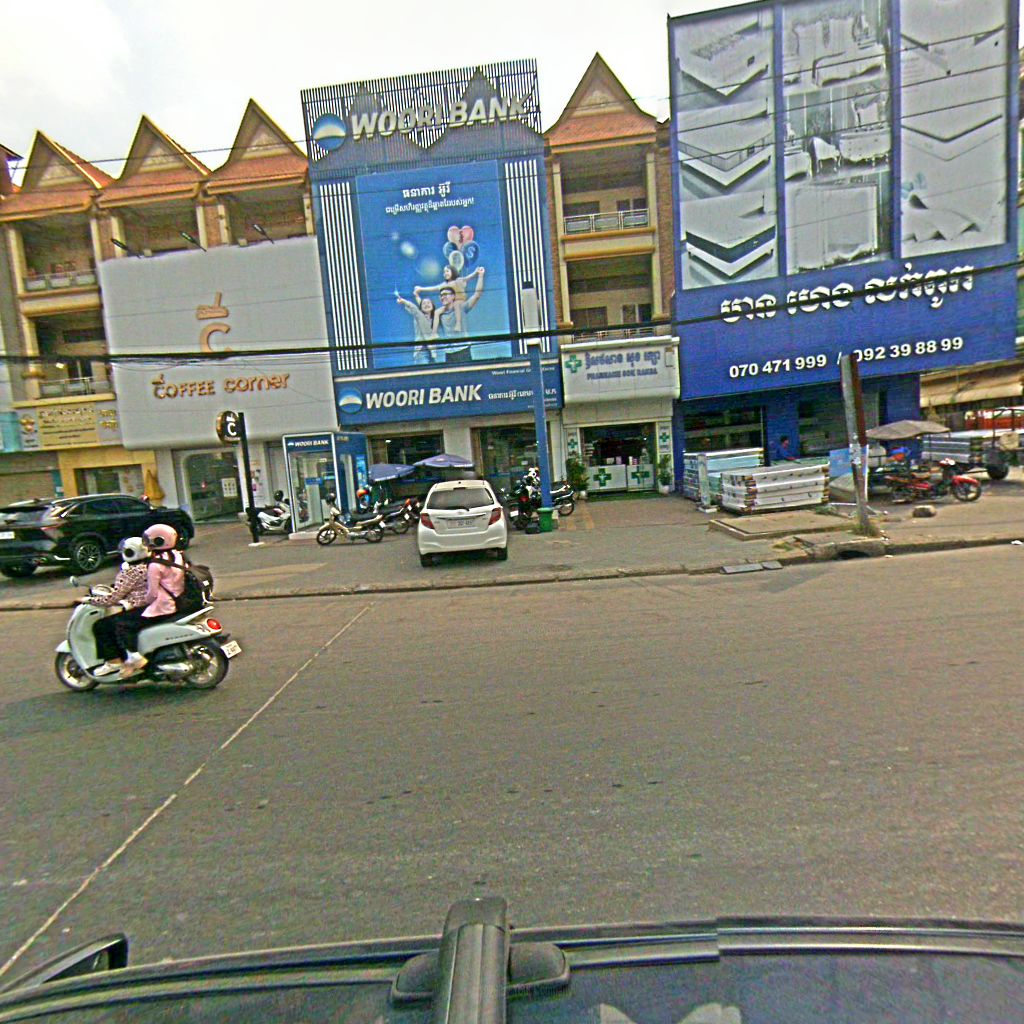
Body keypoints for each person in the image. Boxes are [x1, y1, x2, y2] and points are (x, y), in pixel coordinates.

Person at [115, 523, 193, 680]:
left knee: (121, 624)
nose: (147, 544)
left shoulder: (155, 565)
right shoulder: (179, 556)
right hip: (179, 601)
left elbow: (152, 594)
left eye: (149, 540)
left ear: (158, 541)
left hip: (162, 607)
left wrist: (135, 603)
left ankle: (135, 658)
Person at [84, 537, 152, 677]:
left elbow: (113, 598)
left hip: (141, 609)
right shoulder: (151, 565)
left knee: (101, 625)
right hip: (153, 606)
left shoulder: (130, 572)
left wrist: (89, 600)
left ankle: (114, 662)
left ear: (129, 552)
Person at [434, 267, 486, 364]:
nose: (443, 297)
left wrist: (480, 276)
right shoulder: (439, 314)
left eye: (446, 294)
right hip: (449, 354)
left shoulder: (461, 307)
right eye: (441, 295)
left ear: (453, 296)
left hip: (463, 350)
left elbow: (477, 295)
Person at [395, 291, 440, 365]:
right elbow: (414, 308)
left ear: (433, 306)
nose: (426, 305)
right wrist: (404, 301)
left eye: (428, 303)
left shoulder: (435, 319)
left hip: (432, 352)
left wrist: (417, 296)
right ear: (420, 308)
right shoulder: (419, 316)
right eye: (424, 304)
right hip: (421, 350)